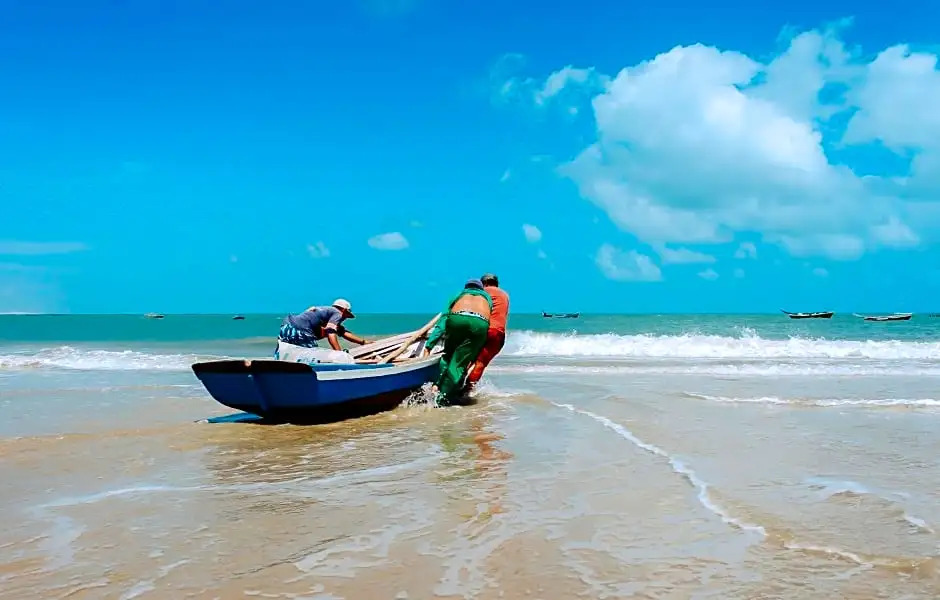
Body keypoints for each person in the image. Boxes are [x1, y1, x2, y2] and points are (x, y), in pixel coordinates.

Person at [422, 279, 492, 404]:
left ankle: (437, 389)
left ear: (466, 287)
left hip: (457, 319)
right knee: (458, 363)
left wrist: (429, 345)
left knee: (447, 355)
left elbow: (443, 320)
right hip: (479, 323)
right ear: (481, 289)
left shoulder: (459, 294)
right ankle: (442, 398)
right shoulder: (487, 298)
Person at [276, 299, 369, 359]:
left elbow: (342, 332)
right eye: (346, 315)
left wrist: (363, 342)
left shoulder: (321, 311)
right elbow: (331, 334)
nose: (345, 318)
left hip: (287, 326)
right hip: (302, 330)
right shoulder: (337, 313)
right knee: (310, 356)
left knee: (283, 352)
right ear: (344, 310)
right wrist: (340, 354)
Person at [465, 273, 509, 388]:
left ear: (483, 283)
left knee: (466, 359)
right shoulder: (504, 295)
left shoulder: (482, 292)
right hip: (498, 332)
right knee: (481, 363)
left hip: (480, 328)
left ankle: (456, 386)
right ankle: (467, 390)